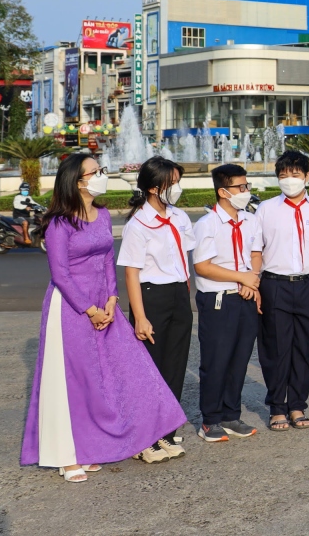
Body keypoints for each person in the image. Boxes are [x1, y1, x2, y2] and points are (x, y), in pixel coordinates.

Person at [22, 153, 186, 480]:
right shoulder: (59, 223)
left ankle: (94, 445)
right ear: (77, 181)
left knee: (111, 376)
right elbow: (61, 274)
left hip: (104, 305)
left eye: (101, 170)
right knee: (70, 381)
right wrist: (90, 309)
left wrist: (111, 299)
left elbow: (109, 259)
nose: (101, 175)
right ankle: (67, 455)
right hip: (70, 308)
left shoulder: (103, 215)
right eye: (95, 172)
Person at [254, 150, 309, 432]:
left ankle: (297, 405)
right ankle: (277, 407)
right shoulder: (266, 209)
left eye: (295, 175)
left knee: (303, 347)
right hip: (274, 284)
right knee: (276, 348)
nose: (289, 180)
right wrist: (255, 285)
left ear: (307, 177)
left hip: (308, 284)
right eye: (283, 175)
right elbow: (256, 251)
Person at [118, 155, 193, 453]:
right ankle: (146, 435)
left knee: (176, 364)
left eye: (177, 182)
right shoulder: (138, 224)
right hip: (152, 296)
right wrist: (139, 316)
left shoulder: (179, 217)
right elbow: (131, 273)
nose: (176, 188)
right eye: (170, 183)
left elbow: (185, 256)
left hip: (178, 294)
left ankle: (168, 428)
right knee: (152, 367)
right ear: (153, 188)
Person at [190, 164, 263, 443]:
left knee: (240, 359)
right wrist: (240, 278)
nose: (246, 192)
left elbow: (256, 254)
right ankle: (210, 419)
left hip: (244, 296)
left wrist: (251, 280)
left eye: (247, 186)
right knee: (216, 360)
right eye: (240, 187)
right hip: (218, 299)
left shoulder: (250, 220)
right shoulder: (207, 224)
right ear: (223, 191)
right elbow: (203, 267)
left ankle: (232, 414)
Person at [13, 181, 37, 245]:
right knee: (25, 222)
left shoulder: (28, 197)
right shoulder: (17, 197)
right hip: (18, 216)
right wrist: (25, 207)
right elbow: (16, 205)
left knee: (37, 221)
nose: (25, 191)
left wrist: (41, 207)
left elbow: (34, 203)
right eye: (23, 190)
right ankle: (26, 238)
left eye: (26, 190)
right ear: (20, 190)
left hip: (26, 216)